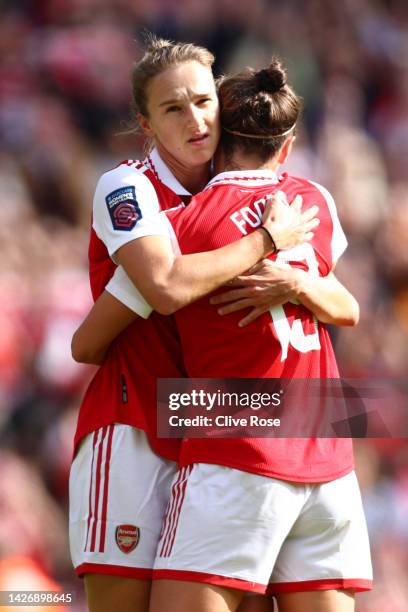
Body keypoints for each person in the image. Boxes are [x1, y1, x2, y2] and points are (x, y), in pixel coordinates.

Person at [93, 59, 372, 612]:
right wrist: (287, 264)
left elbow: (97, 335)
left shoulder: (180, 223)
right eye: (175, 107)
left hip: (233, 449)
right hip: (328, 458)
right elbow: (350, 309)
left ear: (221, 133)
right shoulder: (310, 200)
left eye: (201, 105)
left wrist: (286, 275)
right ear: (285, 145)